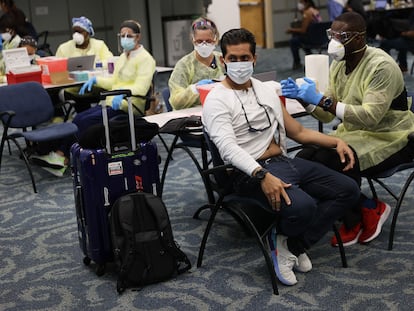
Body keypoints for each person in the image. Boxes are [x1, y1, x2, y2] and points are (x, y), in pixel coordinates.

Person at [202, 28, 360, 286]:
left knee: (347, 189)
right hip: (247, 174)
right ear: (223, 61)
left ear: (254, 59)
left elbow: (297, 131)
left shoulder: (265, 91)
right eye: (233, 58)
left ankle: (290, 246)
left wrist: (337, 141)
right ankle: (291, 245)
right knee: (303, 206)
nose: (239, 64)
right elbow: (228, 149)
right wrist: (261, 175)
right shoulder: (216, 100)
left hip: (281, 162)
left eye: (245, 58)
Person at [281, 12, 414, 247]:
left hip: (392, 136)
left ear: (360, 39)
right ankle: (364, 208)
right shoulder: (339, 65)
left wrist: (323, 101)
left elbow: (371, 117)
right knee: (306, 156)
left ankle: (362, 214)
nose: (334, 41)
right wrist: (305, 99)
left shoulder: (381, 66)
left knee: (335, 159)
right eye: (332, 34)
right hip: (354, 132)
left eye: (341, 36)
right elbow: (326, 112)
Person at [31, 19, 156, 177]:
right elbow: (114, 82)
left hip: (129, 105)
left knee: (83, 122)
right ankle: (63, 155)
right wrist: (97, 80)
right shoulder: (124, 57)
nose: (125, 38)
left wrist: (122, 93)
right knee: (80, 117)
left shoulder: (146, 59)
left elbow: (141, 88)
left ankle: (61, 157)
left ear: (137, 37)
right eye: (122, 35)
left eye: (129, 35)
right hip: (112, 102)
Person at [55, 16, 114, 113]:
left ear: (88, 33)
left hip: (96, 88)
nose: (76, 35)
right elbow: (57, 70)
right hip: (74, 91)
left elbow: (109, 61)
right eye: (74, 31)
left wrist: (93, 67)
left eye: (80, 31)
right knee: (82, 115)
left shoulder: (99, 45)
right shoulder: (64, 48)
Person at [168, 17, 225, 110]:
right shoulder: (184, 65)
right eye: (199, 41)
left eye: (208, 41)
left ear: (216, 39)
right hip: (192, 115)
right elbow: (176, 101)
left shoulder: (223, 60)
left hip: (220, 109)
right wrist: (195, 89)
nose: (204, 45)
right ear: (193, 40)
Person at [286, 0, 322, 70]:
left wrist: (291, 30)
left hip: (310, 39)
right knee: (298, 38)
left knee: (293, 41)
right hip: (320, 39)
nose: (299, 4)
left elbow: (303, 30)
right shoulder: (315, 11)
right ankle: (309, 54)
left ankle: (297, 62)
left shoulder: (307, 13)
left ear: (307, 3)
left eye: (301, 2)